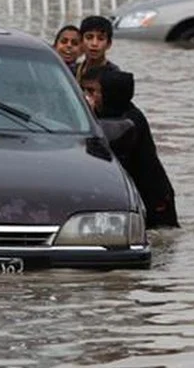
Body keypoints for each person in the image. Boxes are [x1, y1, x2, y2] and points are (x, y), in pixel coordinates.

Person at [80, 67, 179, 228]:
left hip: (153, 199)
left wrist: (85, 117)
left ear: (111, 93)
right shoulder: (105, 114)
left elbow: (103, 139)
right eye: (83, 90)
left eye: (92, 91)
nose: (86, 97)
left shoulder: (130, 121)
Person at [75, 15, 120, 84]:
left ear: (109, 44)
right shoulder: (72, 72)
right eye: (89, 37)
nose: (94, 44)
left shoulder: (114, 75)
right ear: (81, 41)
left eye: (101, 39)